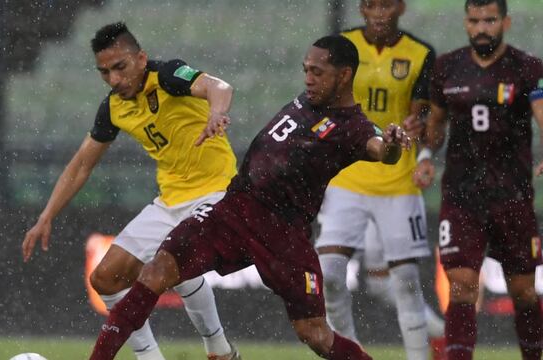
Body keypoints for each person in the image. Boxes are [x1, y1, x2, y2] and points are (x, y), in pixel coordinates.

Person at [88, 34, 413, 360]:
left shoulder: (353, 126)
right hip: (233, 210)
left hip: (283, 234)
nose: (308, 79)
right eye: (306, 70)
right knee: (157, 270)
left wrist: (394, 143)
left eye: (317, 72)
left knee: (314, 333)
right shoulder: (310, 99)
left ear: (344, 75)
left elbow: (382, 150)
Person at [21, 22, 241, 360]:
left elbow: (220, 87)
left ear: (140, 58)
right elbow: (82, 165)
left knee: (175, 260)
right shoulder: (113, 107)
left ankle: (220, 351)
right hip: (170, 202)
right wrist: (46, 215)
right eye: (104, 72)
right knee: (106, 279)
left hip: (217, 192)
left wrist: (216, 112)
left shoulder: (167, 76)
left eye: (120, 67)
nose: (113, 79)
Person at [413, 0, 543, 358]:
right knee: (462, 287)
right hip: (461, 196)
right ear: (466, 23)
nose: (482, 28)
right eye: (475, 21)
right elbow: (435, 126)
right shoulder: (446, 68)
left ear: (506, 22)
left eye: (489, 20)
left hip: (512, 196)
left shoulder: (528, 68)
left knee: (524, 292)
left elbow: (541, 111)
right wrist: (425, 157)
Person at [314, 1, 440, 358]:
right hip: (347, 178)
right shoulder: (341, 46)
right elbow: (321, 101)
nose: (379, 12)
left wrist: (421, 141)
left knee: (406, 282)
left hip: (398, 181)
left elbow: (424, 118)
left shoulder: (420, 54)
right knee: (331, 275)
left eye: (387, 4)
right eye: (372, 4)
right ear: (362, 8)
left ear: (400, 7)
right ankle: (349, 353)